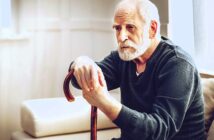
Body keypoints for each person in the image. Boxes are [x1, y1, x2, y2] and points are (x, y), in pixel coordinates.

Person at [69, 0, 205, 139]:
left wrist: (104, 102)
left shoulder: (178, 64)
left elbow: (159, 131)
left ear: (152, 29)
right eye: (117, 28)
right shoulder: (123, 57)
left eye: (130, 27)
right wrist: (81, 62)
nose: (121, 37)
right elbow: (79, 80)